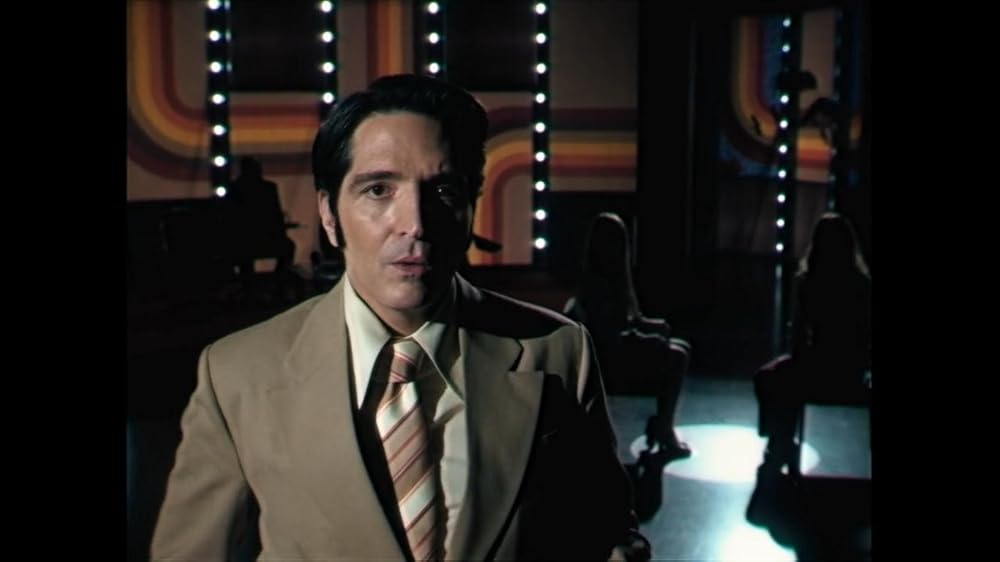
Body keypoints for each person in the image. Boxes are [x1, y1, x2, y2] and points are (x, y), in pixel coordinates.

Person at [152, 74, 649, 561]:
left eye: (444, 192)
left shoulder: (557, 348)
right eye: (378, 190)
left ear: (471, 207)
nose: (415, 223)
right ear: (329, 215)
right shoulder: (237, 374)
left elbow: (606, 529)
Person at [747, 212, 871, 524]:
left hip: (816, 366)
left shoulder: (807, 282)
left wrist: (803, 361)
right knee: (782, 379)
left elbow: (799, 340)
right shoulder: (861, 284)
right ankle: (781, 442)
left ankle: (779, 442)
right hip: (851, 371)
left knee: (769, 378)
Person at [563, 212, 691, 459]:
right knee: (676, 356)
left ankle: (663, 425)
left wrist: (654, 327)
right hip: (611, 361)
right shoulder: (597, 286)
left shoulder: (618, 280)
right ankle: (664, 428)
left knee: (682, 348)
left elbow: (631, 319)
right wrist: (648, 338)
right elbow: (608, 336)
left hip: (622, 348)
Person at [226, 155, 298, 302]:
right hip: (258, 241)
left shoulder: (234, 189)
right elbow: (275, 215)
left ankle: (252, 289)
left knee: (246, 251)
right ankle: (276, 286)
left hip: (246, 242)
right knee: (287, 246)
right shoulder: (268, 188)